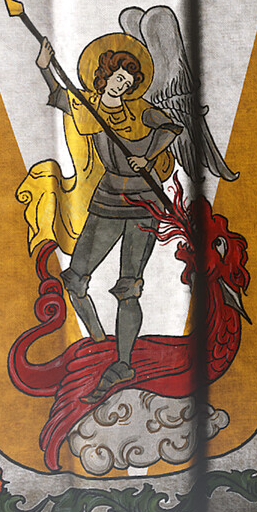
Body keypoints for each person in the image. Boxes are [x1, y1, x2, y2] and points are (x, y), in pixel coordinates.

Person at [35, 35, 182, 402]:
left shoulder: (140, 110)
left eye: (128, 82)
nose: (122, 86)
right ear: (104, 76)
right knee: (75, 278)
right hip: (108, 197)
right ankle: (101, 343)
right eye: (118, 78)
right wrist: (44, 67)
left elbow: (171, 127)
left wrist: (148, 156)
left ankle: (123, 363)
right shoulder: (88, 107)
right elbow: (58, 95)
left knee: (128, 286)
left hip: (145, 201)